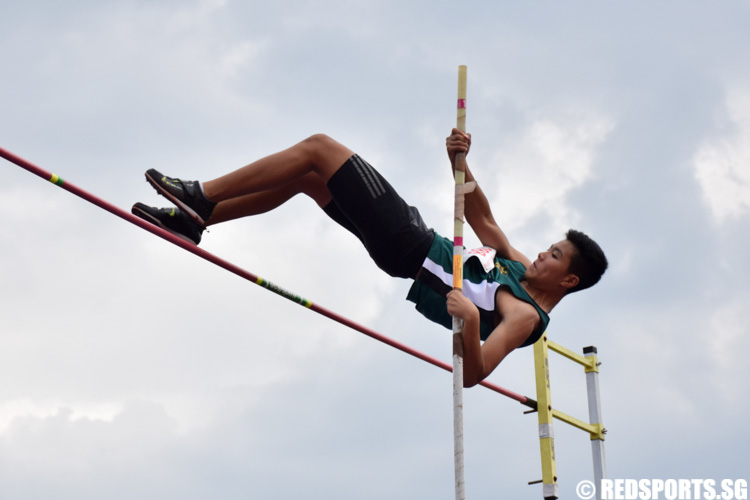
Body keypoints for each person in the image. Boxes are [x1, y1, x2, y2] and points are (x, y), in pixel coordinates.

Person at [132, 130, 608, 387]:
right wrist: (460, 165)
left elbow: (476, 374)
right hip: (405, 249)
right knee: (308, 177)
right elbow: (485, 222)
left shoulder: (524, 315)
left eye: (554, 255)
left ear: (567, 280)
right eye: (549, 247)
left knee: (320, 148)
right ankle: (196, 221)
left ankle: (202, 194)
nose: (542, 253)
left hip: (409, 244)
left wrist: (466, 322)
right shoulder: (521, 270)